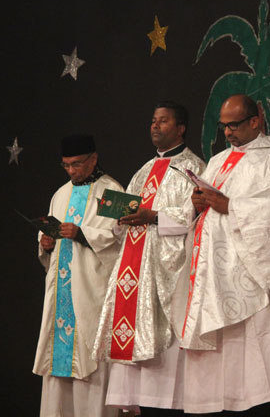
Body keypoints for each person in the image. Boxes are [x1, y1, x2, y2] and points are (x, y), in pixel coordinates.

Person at [178, 94, 270, 416]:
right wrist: (198, 202)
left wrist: (230, 206)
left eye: (234, 125)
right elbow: (206, 208)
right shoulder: (217, 161)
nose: (227, 132)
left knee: (253, 365)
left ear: (255, 121)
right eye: (224, 126)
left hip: (252, 277)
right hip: (214, 275)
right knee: (219, 369)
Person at [92, 101, 205, 416]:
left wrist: (152, 216)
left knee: (167, 371)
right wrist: (120, 219)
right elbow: (123, 222)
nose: (155, 125)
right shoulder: (142, 171)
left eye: (163, 121)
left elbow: (195, 218)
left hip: (168, 271)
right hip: (135, 270)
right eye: (153, 120)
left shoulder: (194, 168)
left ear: (181, 128)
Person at [35, 134, 122, 417]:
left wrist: (83, 234)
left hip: (92, 293)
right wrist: (46, 244)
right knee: (58, 371)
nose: (71, 171)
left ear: (93, 159)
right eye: (66, 165)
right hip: (62, 294)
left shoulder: (112, 191)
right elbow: (48, 242)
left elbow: (122, 241)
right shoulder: (60, 193)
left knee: (91, 362)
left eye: (76, 164)